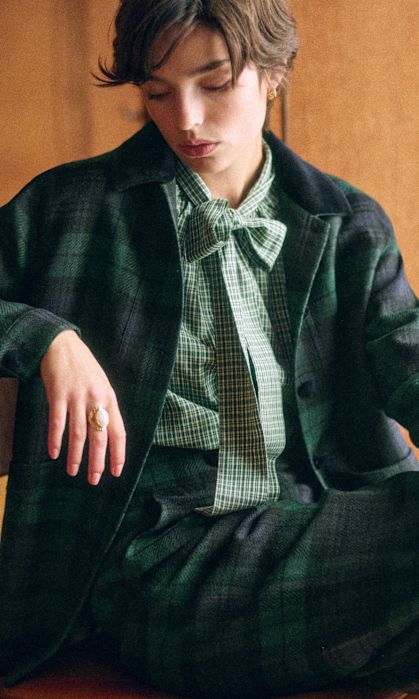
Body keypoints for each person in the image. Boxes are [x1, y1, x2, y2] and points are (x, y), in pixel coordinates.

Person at [1, 0, 419, 696]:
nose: (186, 120)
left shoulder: (347, 223)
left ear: (273, 73)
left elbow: (407, 355)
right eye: (158, 93)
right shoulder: (71, 209)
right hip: (164, 566)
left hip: (318, 533)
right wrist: (47, 336)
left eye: (215, 83)